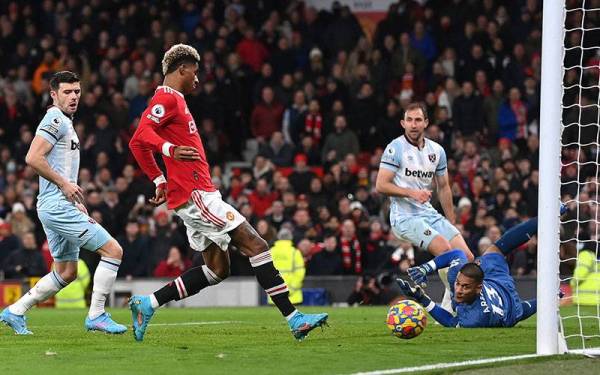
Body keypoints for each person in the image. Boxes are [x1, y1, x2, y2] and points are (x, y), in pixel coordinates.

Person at [128, 44, 327, 342]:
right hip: (197, 195)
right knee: (257, 246)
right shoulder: (166, 98)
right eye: (195, 71)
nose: (198, 78)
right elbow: (140, 134)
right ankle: (295, 318)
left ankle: (149, 303)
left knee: (218, 270)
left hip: (192, 196)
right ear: (182, 68)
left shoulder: (177, 101)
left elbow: (137, 145)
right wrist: (168, 151)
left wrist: (159, 180)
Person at [0, 71, 127, 335]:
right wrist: (64, 185)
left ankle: (15, 311)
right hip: (56, 205)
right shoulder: (55, 118)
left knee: (67, 272)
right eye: (67, 92)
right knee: (113, 251)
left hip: (56, 205)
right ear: (53, 94)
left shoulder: (65, 122)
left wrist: (71, 198)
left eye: (77, 92)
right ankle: (97, 315)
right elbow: (33, 158)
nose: (74, 97)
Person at [375, 102, 473, 309]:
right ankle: (454, 307)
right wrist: (412, 192)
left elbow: (444, 187)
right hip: (404, 217)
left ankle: (449, 303)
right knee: (446, 251)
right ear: (402, 123)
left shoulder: (436, 150)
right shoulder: (395, 148)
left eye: (418, 120)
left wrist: (452, 221)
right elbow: (381, 185)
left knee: (467, 257)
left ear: (426, 123)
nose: (413, 125)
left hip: (428, 213)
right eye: (409, 120)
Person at [398, 215, 543, 327]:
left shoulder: (475, 319)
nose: (459, 290)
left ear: (478, 288)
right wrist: (425, 268)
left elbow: (451, 322)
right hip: (495, 278)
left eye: (465, 287)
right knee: (496, 249)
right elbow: (458, 254)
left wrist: (423, 300)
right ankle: (542, 219)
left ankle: (546, 217)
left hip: (509, 306)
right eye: (459, 284)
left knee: (520, 312)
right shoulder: (457, 276)